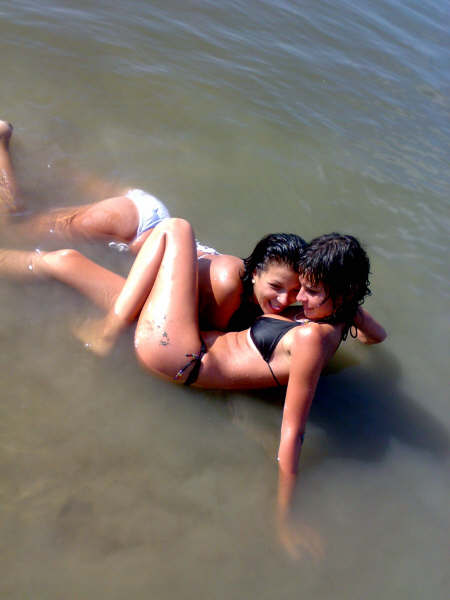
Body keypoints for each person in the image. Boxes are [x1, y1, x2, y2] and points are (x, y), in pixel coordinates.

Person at [0, 119, 305, 331]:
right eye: (276, 287)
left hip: (148, 217)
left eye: (294, 291)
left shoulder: (250, 286)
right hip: (127, 226)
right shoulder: (229, 284)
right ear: (256, 274)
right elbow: (206, 337)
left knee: (60, 181)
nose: (284, 300)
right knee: (15, 225)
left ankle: (33, 160)